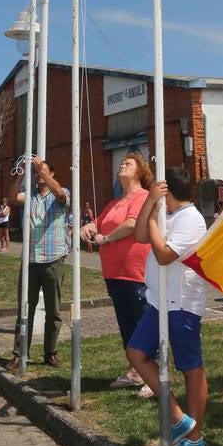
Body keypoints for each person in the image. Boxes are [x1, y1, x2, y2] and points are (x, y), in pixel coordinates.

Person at [126, 167, 209, 446]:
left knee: (191, 369)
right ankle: (178, 418)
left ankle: (194, 439)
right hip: (158, 300)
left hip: (183, 303)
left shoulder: (192, 220)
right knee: (136, 352)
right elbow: (139, 236)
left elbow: (163, 255)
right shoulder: (166, 215)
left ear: (169, 191)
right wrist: (150, 205)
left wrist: (150, 217)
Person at [79, 151, 153, 392]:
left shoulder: (142, 196)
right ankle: (135, 372)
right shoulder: (114, 202)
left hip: (135, 271)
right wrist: (89, 226)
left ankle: (154, 374)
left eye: (128, 163)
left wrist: (106, 238)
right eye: (121, 163)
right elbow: (98, 222)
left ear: (139, 171)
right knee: (127, 325)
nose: (122, 165)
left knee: (143, 322)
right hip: (114, 273)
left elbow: (132, 224)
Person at [6, 156, 70, 371]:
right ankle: (19, 352)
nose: (38, 174)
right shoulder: (30, 197)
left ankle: (50, 352)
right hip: (31, 261)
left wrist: (41, 169)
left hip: (54, 259)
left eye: (43, 171)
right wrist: (22, 176)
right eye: (37, 172)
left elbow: (60, 195)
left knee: (53, 310)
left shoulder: (62, 193)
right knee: (25, 308)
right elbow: (12, 197)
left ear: (51, 174)